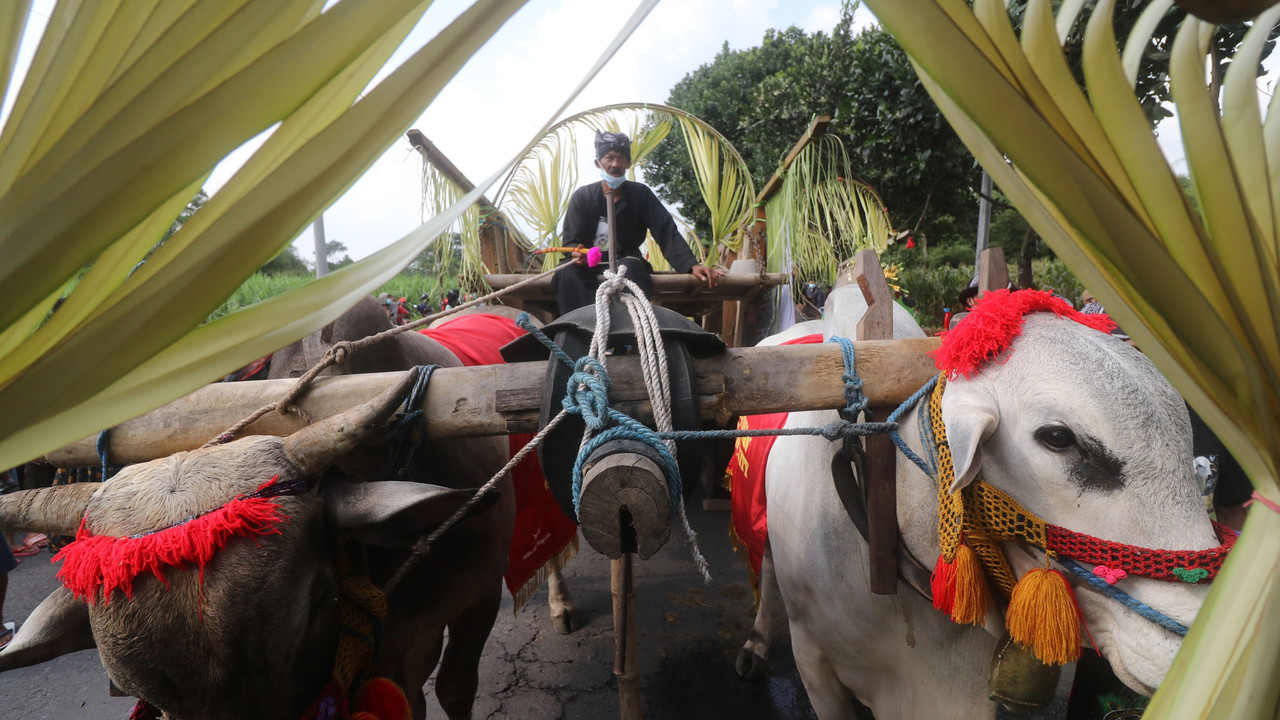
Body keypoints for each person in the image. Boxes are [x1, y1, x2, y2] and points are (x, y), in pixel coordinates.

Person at [552, 130, 722, 314]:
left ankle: (629, 334)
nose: (615, 164)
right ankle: (581, 330)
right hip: (589, 264)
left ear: (628, 163)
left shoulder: (641, 195)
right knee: (566, 273)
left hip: (625, 261)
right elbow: (571, 242)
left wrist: (691, 265)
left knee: (632, 268)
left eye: (621, 158)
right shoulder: (582, 197)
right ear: (598, 162)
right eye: (609, 158)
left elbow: (666, 232)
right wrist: (577, 254)